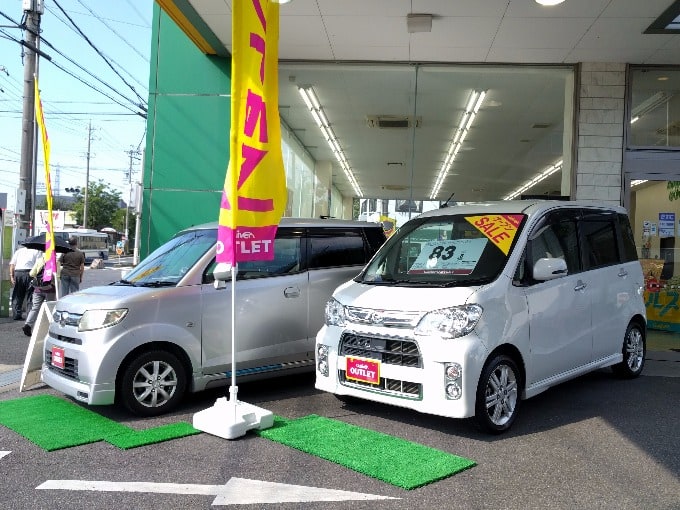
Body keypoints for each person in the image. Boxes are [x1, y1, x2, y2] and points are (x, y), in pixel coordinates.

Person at [23, 253, 57, 337]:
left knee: (35, 308)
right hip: (50, 289)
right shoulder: (54, 262)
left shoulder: (39, 260)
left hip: (37, 288)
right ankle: (51, 328)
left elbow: (31, 274)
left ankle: (28, 324)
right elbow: (57, 276)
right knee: (50, 308)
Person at [9, 244, 40, 320]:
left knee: (17, 294)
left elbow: (12, 265)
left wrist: (11, 276)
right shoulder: (37, 251)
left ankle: (16, 314)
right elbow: (39, 264)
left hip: (18, 273)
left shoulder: (18, 251)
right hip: (30, 273)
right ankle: (29, 315)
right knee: (31, 294)